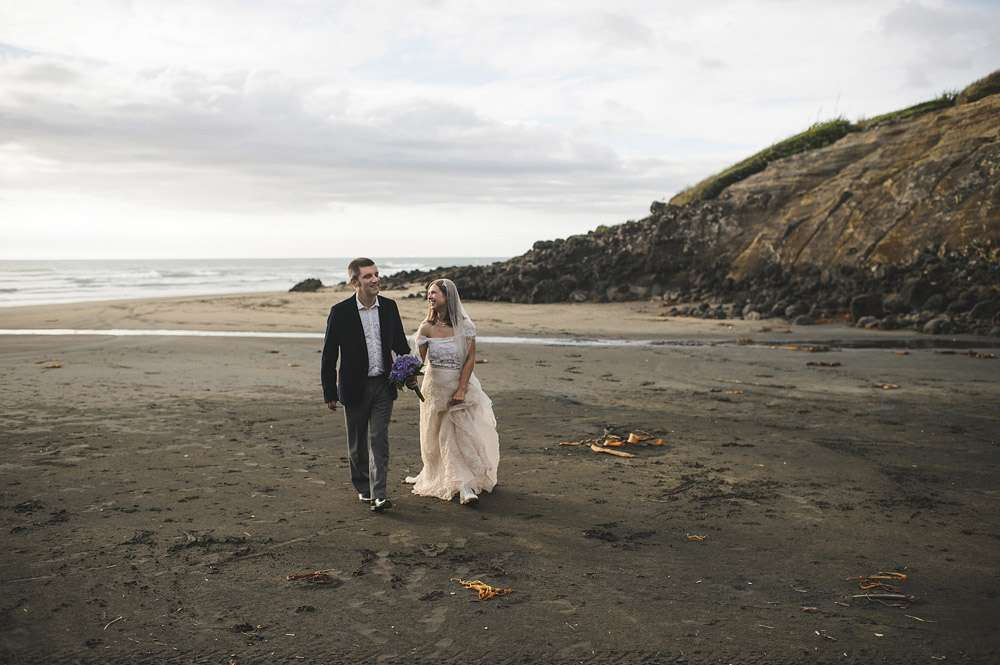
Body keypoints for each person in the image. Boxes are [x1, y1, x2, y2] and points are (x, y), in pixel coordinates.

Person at [321, 258, 412, 512]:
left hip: (384, 385)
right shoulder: (340, 312)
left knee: (379, 439)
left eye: (376, 274)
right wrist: (329, 391)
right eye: (368, 276)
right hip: (354, 387)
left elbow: (400, 345)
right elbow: (329, 355)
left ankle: (379, 493)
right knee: (357, 444)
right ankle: (364, 487)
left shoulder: (389, 307)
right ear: (355, 282)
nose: (375, 279)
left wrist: (410, 371)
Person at [405, 278, 499, 505]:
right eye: (428, 293)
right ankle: (440, 473)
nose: (429, 296)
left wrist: (461, 389)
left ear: (448, 297)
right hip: (434, 388)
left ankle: (464, 486)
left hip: (458, 385)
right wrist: (407, 374)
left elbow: (470, 359)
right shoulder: (426, 327)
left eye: (434, 293)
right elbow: (419, 362)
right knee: (435, 435)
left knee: (456, 435)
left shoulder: (465, 326)